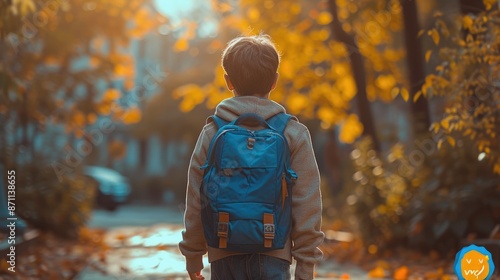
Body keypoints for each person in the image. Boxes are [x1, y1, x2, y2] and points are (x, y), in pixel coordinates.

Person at [179, 34, 324, 280]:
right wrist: (305, 266)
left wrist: (193, 254)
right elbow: (307, 203)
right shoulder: (293, 133)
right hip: (274, 255)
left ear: (227, 81)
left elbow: (197, 198)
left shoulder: (212, 132)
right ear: (274, 82)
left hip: (223, 253)